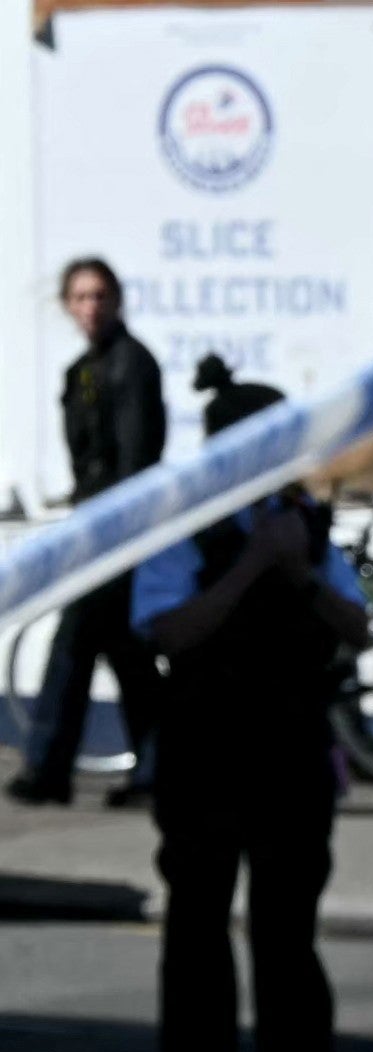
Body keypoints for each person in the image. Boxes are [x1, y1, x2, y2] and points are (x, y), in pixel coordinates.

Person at [137, 362, 373, 1052]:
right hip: (206, 746)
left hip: (290, 743)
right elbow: (167, 630)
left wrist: (296, 571)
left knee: (288, 937)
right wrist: (247, 568)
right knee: (199, 931)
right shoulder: (184, 522)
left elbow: (358, 625)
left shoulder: (301, 520)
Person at [14, 259, 166, 807]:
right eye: (80, 297)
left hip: (117, 535)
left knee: (76, 647)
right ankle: (151, 774)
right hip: (95, 530)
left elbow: (134, 460)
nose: (90, 307)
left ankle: (49, 768)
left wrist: (110, 531)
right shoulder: (83, 370)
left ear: (117, 300)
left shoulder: (132, 364)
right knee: (125, 656)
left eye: (99, 296)